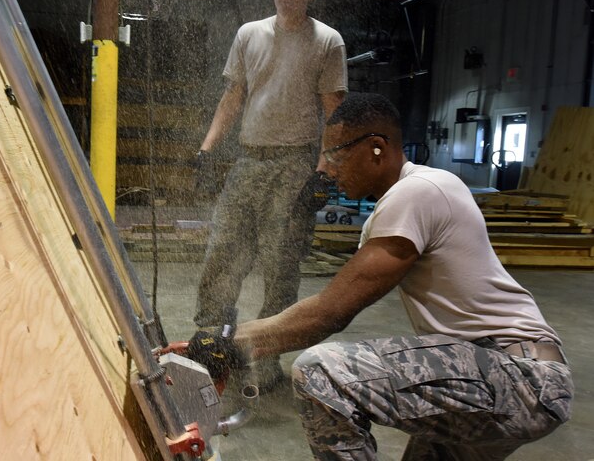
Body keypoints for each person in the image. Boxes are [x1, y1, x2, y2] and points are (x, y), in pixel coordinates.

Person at [189, 93, 573, 460]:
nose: (324, 169)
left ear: (376, 147)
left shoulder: (419, 191)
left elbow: (329, 313)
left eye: (335, 155)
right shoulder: (398, 205)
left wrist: (228, 341)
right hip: (483, 378)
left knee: (323, 371)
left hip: (521, 377)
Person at [193, 0, 348, 391]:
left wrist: (324, 171)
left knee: (281, 266)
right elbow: (233, 97)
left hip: (295, 163)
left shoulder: (327, 42)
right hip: (249, 159)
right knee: (223, 255)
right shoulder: (249, 33)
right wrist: (206, 150)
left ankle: (264, 357)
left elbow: (332, 111)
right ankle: (211, 347)